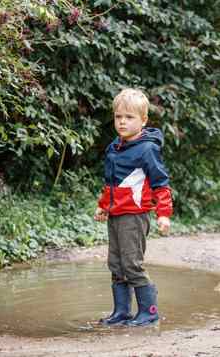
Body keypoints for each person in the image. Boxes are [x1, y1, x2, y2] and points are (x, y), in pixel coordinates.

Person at [94, 88, 173, 327]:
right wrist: (103, 206)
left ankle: (149, 312)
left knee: (132, 264)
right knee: (116, 264)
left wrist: (163, 214)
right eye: (118, 117)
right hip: (115, 215)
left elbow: (161, 183)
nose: (122, 122)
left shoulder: (147, 149)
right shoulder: (114, 147)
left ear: (143, 120)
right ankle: (122, 312)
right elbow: (111, 183)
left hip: (135, 216)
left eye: (129, 117)